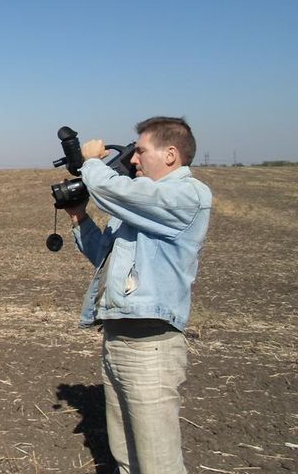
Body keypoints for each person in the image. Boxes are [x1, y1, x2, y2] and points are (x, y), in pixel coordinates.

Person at [63, 117, 212, 474]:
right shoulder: (142, 206)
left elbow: (117, 192)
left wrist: (91, 163)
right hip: (117, 340)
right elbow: (105, 254)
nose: (133, 159)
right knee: (126, 456)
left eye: (140, 151)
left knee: (157, 462)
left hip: (151, 346)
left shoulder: (187, 195)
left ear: (171, 154)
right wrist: (79, 217)